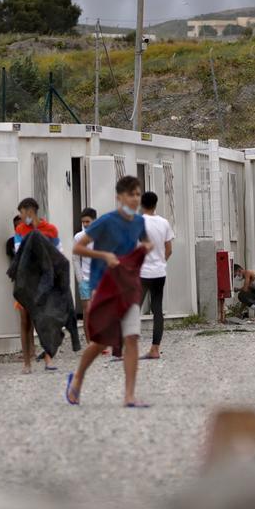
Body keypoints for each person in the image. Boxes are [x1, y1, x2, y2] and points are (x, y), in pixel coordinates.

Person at [66, 175, 151, 408]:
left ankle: (129, 395)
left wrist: (146, 247)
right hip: (103, 286)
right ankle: (78, 379)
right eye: (131, 194)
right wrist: (104, 255)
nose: (135, 198)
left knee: (132, 337)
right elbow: (77, 247)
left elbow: (145, 242)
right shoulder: (105, 221)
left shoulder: (139, 222)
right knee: (101, 342)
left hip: (129, 286)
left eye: (138, 194)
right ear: (119, 197)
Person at [14, 198, 62, 373]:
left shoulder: (51, 229)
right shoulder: (20, 230)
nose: (21, 216)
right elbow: (19, 253)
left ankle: (48, 359)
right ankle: (27, 362)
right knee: (25, 320)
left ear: (30, 211)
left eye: (22, 212)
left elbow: (59, 252)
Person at [139, 192, 175, 360]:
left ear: (141, 204)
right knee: (157, 309)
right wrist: (161, 262)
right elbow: (169, 249)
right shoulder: (164, 223)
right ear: (156, 204)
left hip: (142, 272)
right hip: (159, 272)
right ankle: (155, 349)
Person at [72, 207, 97, 345]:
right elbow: (75, 258)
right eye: (83, 222)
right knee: (87, 311)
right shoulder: (78, 237)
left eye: (88, 221)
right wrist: (80, 279)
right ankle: (90, 343)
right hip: (85, 279)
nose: (85, 224)